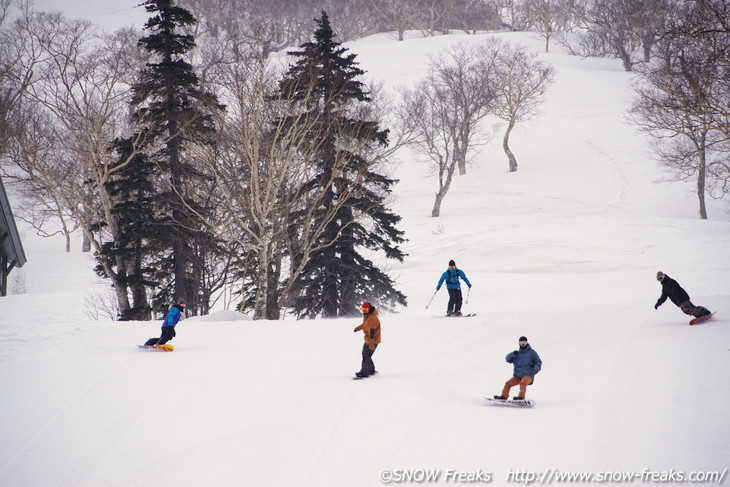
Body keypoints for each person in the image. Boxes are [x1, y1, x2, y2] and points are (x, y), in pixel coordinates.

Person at [494, 336, 542, 400]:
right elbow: (507, 359)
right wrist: (513, 354)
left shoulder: (531, 352)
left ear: (527, 343)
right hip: (518, 376)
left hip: (528, 375)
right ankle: (503, 396)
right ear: (519, 343)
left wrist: (536, 369)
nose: (523, 344)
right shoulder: (517, 354)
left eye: (524, 342)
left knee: (523, 383)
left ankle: (521, 397)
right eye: (521, 342)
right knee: (508, 384)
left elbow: (538, 361)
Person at [353, 301, 381, 378]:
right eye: (363, 308)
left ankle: (364, 372)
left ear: (369, 309)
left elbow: (372, 332)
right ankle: (371, 370)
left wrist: (371, 344)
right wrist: (357, 328)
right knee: (366, 355)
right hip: (369, 339)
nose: (364, 310)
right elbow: (365, 325)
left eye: (366, 308)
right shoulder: (368, 316)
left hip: (372, 340)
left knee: (366, 355)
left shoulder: (372, 318)